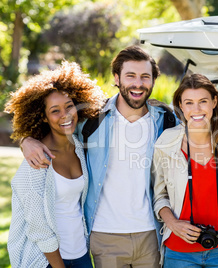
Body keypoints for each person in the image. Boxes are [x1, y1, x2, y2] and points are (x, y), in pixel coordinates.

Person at [20, 46, 177, 267]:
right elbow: (52, 129)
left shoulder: (166, 121)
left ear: (153, 80)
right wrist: (26, 140)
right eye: (130, 75)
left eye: (145, 76)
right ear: (116, 78)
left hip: (151, 233)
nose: (138, 83)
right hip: (105, 235)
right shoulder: (91, 119)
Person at [6, 61, 105, 267]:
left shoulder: (79, 146)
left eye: (69, 106)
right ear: (43, 116)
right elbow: (38, 227)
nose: (65, 115)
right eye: (55, 111)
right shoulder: (36, 161)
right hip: (48, 261)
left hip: (82, 254)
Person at [152, 74, 218, 267]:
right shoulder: (167, 142)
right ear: (181, 106)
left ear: (214, 101)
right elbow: (159, 196)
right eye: (189, 103)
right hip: (179, 250)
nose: (196, 109)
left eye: (203, 101)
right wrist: (173, 224)